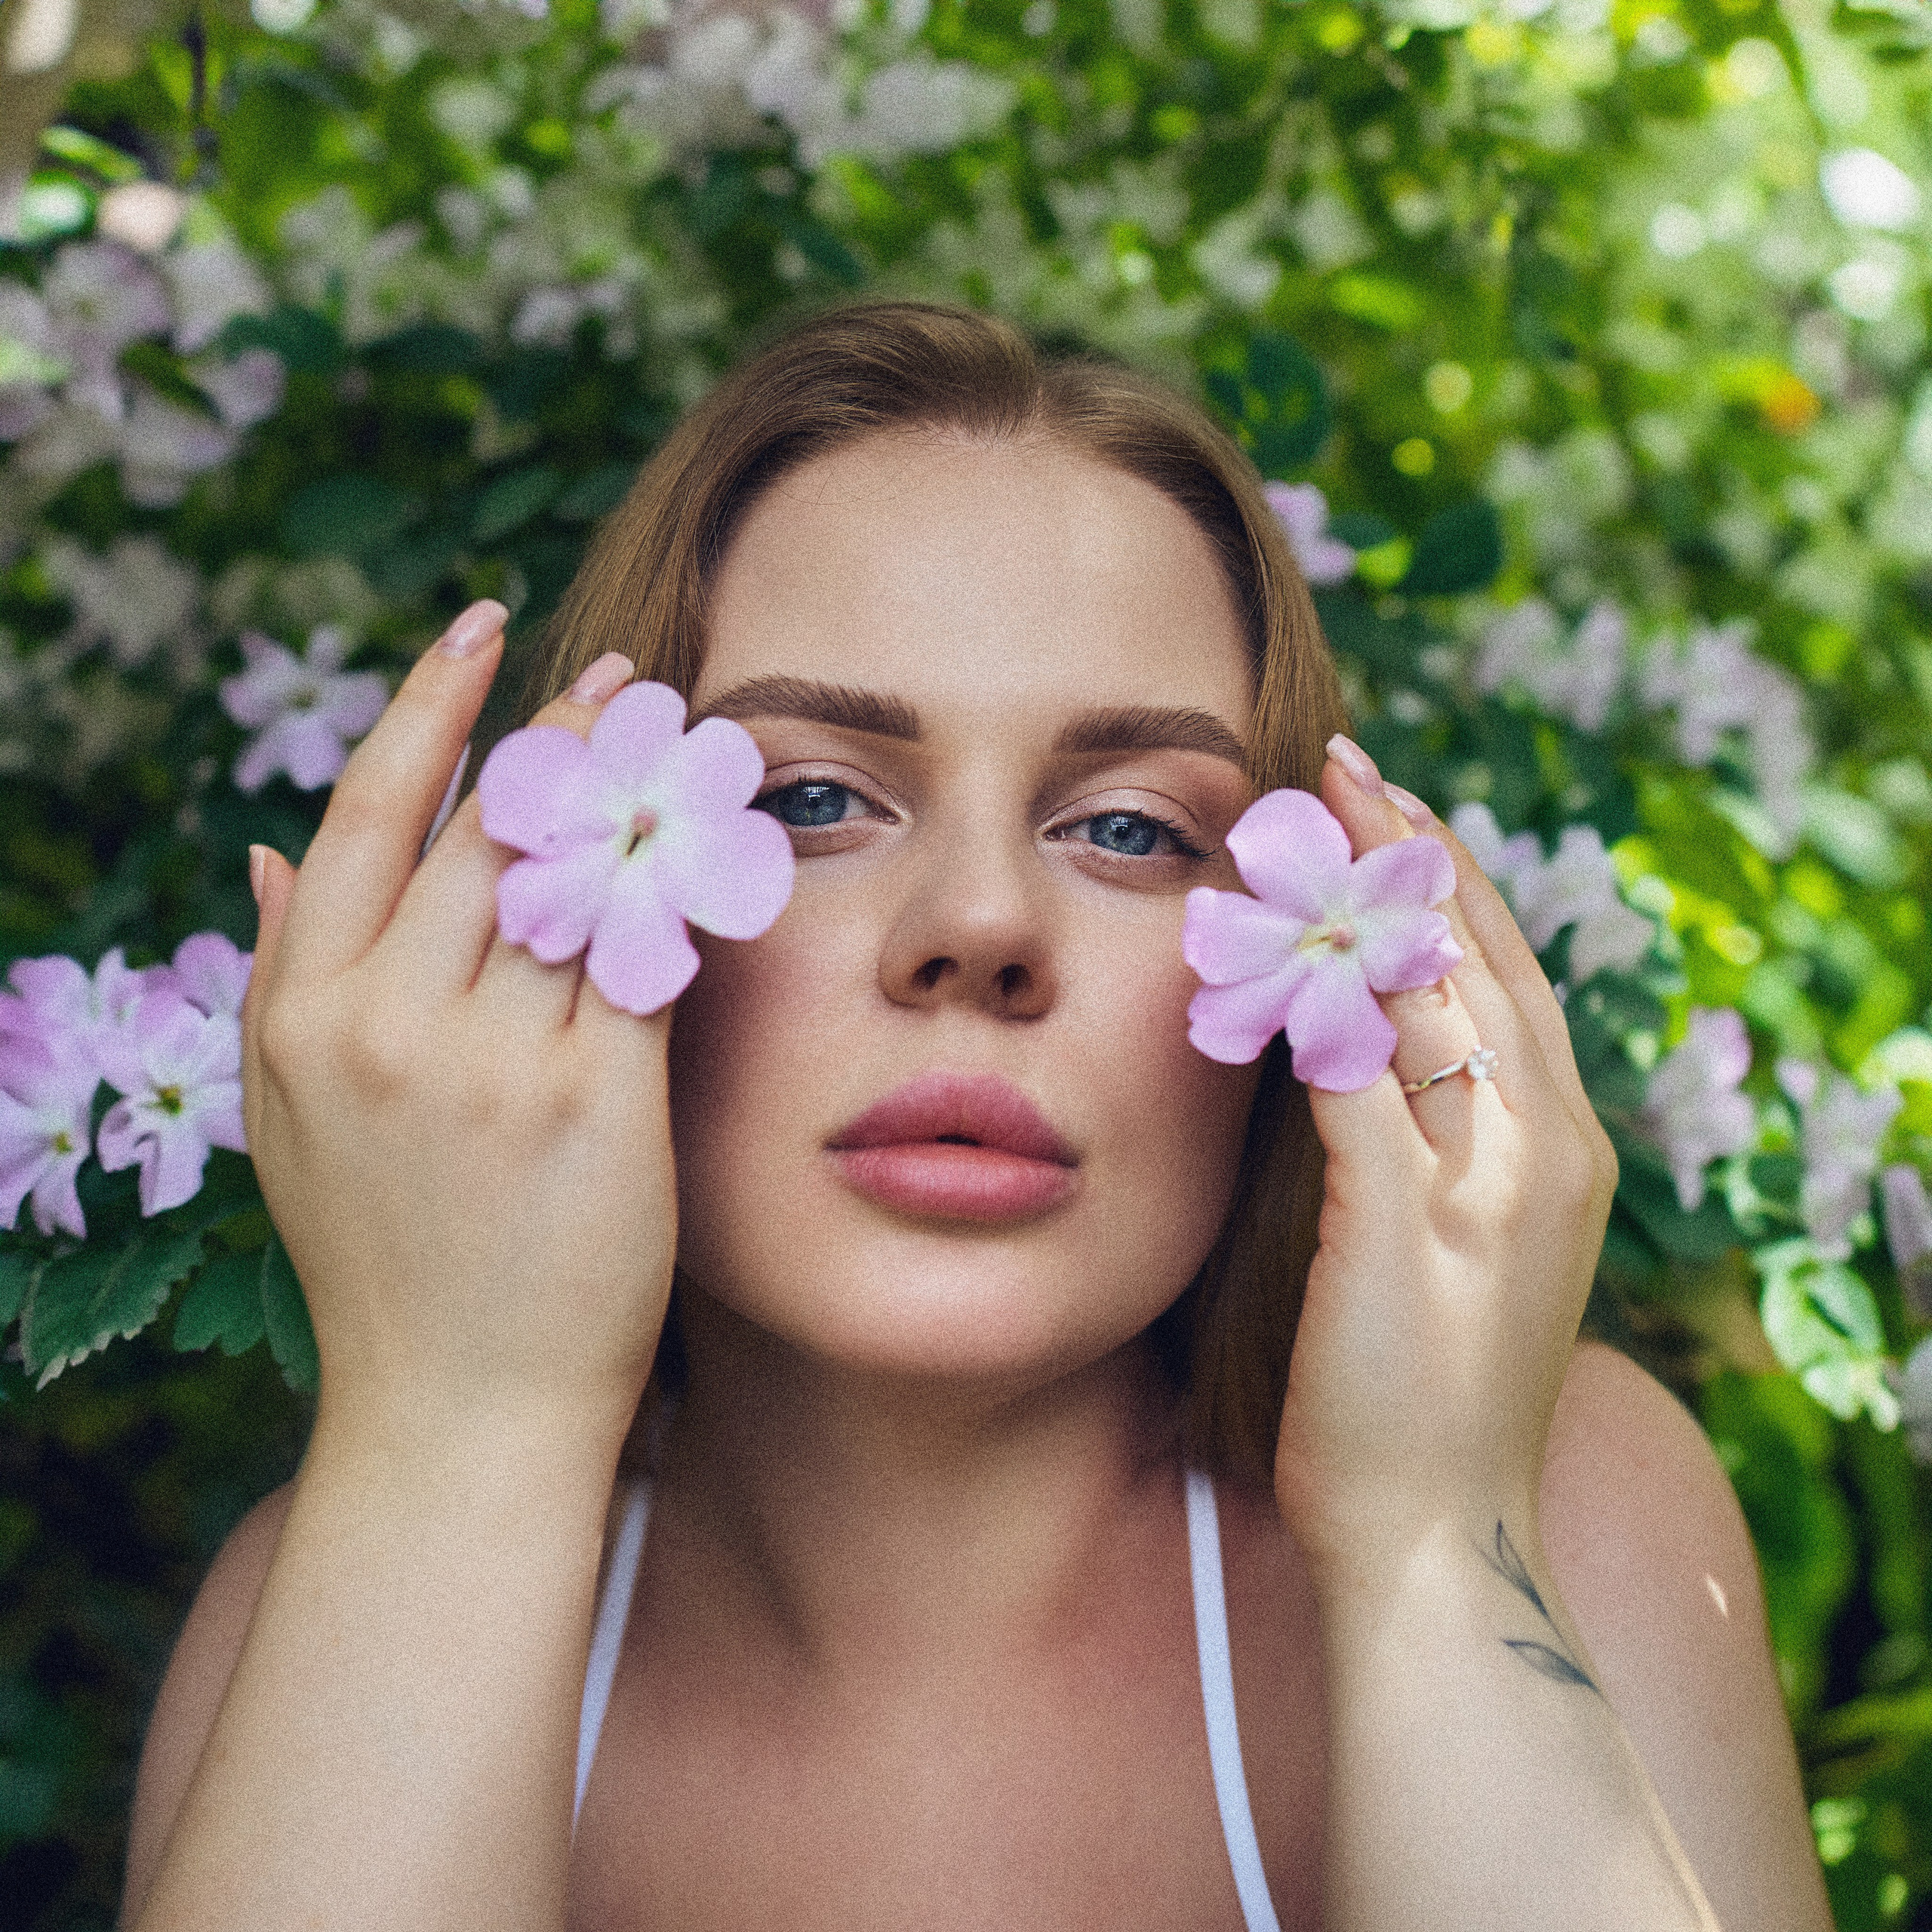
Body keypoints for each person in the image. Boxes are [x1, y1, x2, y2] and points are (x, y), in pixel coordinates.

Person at [118, 301, 1829, 1931]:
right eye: (806, 798)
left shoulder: (1557, 1486)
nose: (982, 925)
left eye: (1132, 829)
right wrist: (454, 1422)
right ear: (554, 878)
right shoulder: (331, 1576)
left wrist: (1431, 1544)